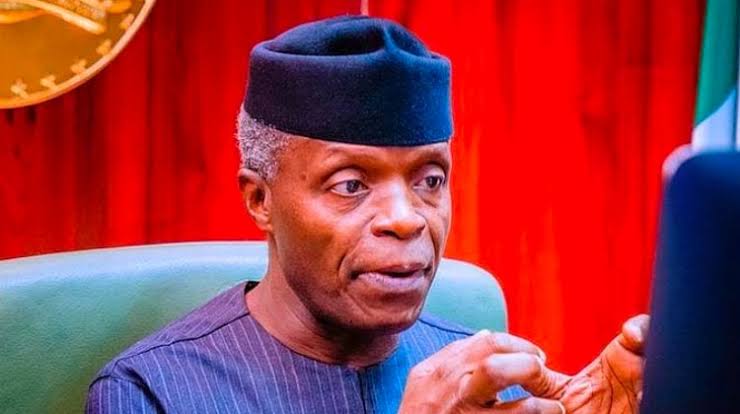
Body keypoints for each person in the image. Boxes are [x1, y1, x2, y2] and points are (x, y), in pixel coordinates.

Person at [86, 15, 648, 414]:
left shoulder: (482, 378)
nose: (406, 219)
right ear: (260, 200)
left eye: (430, 180)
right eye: (350, 185)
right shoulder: (149, 392)